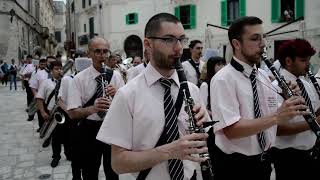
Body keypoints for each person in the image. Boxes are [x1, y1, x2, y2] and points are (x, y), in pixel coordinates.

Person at [96, 13, 210, 180]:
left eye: (181, 39)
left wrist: (204, 124)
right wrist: (169, 151)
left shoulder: (192, 90)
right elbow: (118, 163)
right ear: (148, 44)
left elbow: (201, 140)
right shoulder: (127, 95)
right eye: (169, 39)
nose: (179, 48)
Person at [210, 16, 310, 180]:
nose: (263, 44)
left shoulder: (263, 76)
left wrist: (285, 99)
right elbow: (231, 130)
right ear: (236, 44)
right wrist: (278, 116)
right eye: (255, 38)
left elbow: (269, 113)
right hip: (236, 167)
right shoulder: (223, 79)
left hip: (264, 162)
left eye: (263, 37)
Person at [67, 37, 124, 180]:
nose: (102, 55)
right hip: (89, 129)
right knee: (89, 171)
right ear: (89, 53)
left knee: (112, 171)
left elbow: (127, 107)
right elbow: (72, 113)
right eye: (97, 51)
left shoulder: (115, 76)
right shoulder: (79, 79)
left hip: (111, 127)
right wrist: (93, 108)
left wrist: (118, 94)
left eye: (105, 52)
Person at [272, 39, 319, 180]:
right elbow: (278, 129)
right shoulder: (276, 87)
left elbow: (313, 112)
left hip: (311, 152)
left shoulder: (307, 84)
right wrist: (314, 122)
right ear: (288, 61)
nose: (308, 64)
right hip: (288, 157)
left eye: (309, 60)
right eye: (303, 60)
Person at [58, 57, 92, 179]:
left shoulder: (91, 79)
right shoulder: (68, 79)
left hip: (88, 121)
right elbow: (60, 100)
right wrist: (71, 113)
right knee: (76, 155)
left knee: (88, 155)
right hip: (73, 120)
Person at [36, 60, 69, 168]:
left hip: (66, 112)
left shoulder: (67, 81)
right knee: (55, 138)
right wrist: (42, 112)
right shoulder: (46, 83)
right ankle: (56, 156)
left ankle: (68, 154)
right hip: (53, 114)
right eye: (56, 69)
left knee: (68, 135)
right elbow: (40, 99)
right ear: (51, 71)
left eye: (60, 68)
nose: (59, 71)